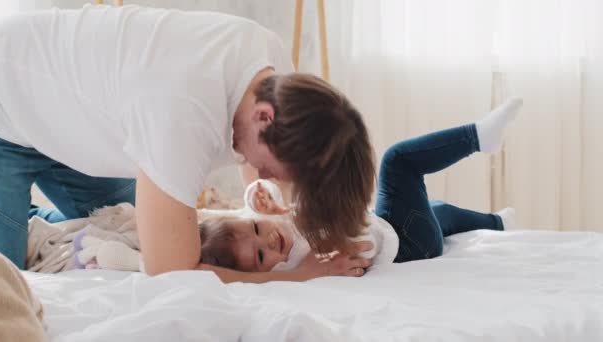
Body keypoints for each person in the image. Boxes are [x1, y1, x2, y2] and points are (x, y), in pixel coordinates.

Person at [0, 4, 374, 280]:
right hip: (4, 104)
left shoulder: (273, 72)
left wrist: (304, 222)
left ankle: (28, 222)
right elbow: (173, 273)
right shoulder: (182, 110)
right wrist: (298, 278)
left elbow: (270, 169)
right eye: (268, 169)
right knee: (7, 282)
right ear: (264, 117)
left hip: (65, 120)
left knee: (122, 225)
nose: (263, 175)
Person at [197, 98, 523, 274]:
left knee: (438, 212)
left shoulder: (275, 226)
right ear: (258, 274)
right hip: (407, 244)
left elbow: (256, 202)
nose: (269, 241)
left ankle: (496, 223)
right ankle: (477, 137)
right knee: (397, 162)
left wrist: (263, 199)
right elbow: (325, 228)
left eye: (256, 229)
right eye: (259, 255)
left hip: (402, 231)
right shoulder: (299, 262)